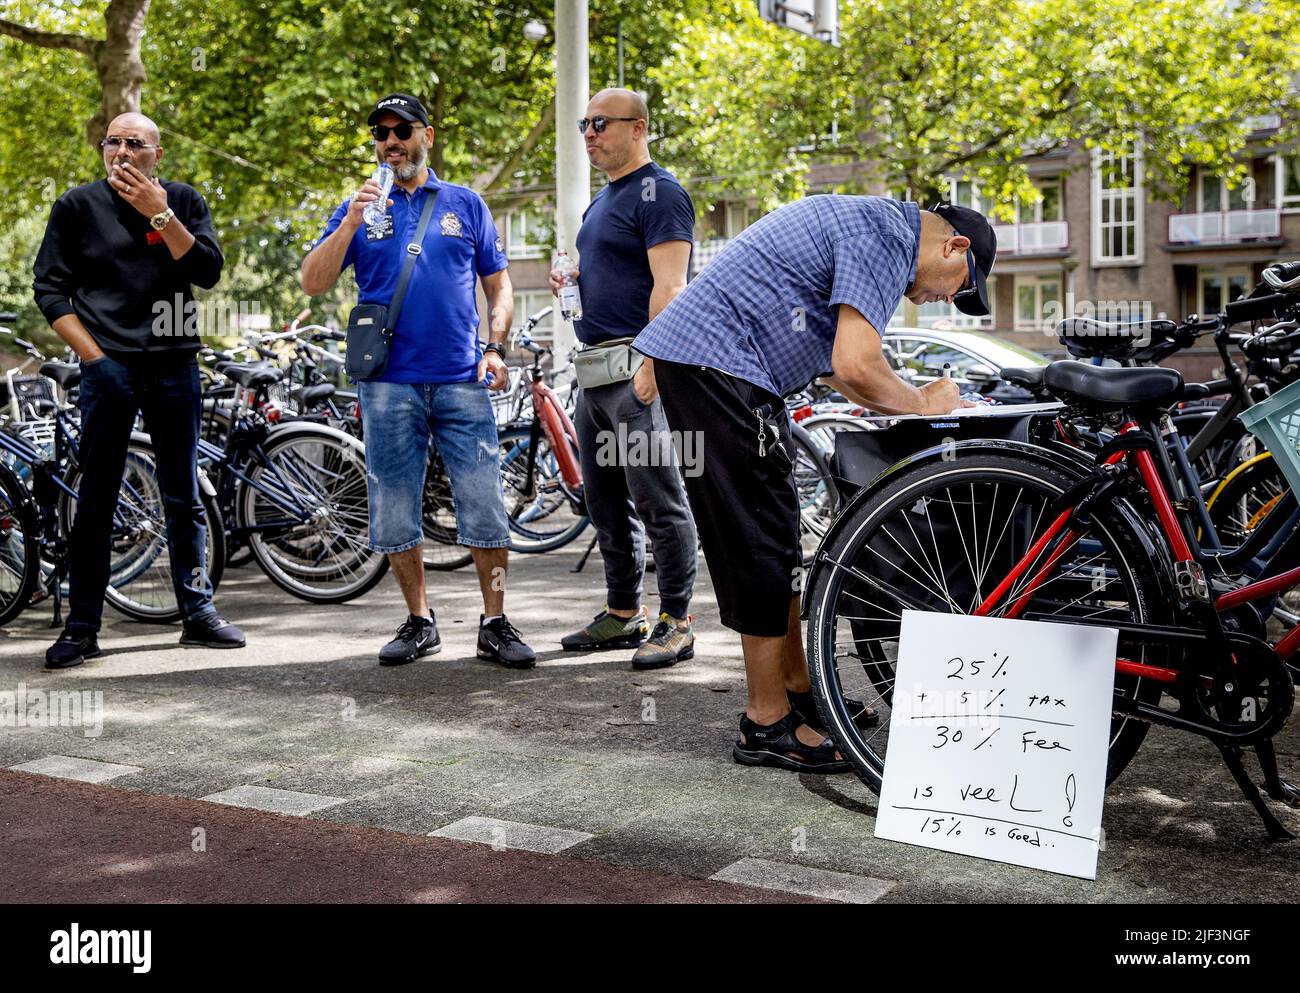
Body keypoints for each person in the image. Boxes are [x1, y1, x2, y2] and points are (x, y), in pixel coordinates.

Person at [635, 197, 996, 772]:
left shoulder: (876, 228)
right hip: (718, 366)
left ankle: (800, 692)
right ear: (955, 247)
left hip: (727, 368)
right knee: (755, 539)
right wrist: (925, 400)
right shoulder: (888, 237)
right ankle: (765, 723)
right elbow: (856, 365)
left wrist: (907, 401)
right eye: (962, 285)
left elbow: (839, 366)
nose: (948, 299)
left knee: (777, 535)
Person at [300, 93, 534, 669]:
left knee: (483, 504)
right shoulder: (359, 207)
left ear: (427, 134)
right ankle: (418, 620)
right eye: (379, 133)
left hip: (461, 377)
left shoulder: (465, 203)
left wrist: (495, 348)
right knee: (393, 504)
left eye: (401, 129)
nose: (390, 142)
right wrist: (351, 221)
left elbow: (499, 288)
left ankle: (495, 621)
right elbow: (312, 281)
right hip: (386, 383)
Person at [32, 112, 245, 670]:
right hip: (110, 368)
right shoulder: (77, 207)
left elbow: (207, 271)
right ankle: (82, 627)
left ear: (157, 153)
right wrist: (93, 358)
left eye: (135, 143)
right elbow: (49, 288)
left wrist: (161, 213)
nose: (122, 151)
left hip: (175, 362)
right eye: (113, 142)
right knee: (97, 496)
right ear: (103, 150)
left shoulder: (184, 200)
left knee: (183, 493)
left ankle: (198, 614)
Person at [551, 88, 699, 670]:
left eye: (600, 123)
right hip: (595, 373)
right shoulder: (602, 202)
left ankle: (678, 621)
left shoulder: (659, 193)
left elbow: (672, 288)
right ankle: (622, 612)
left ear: (638, 127)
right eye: (585, 123)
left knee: (659, 498)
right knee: (604, 500)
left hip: (637, 370)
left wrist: (654, 366)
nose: (588, 132)